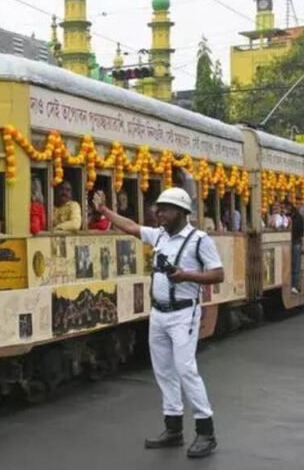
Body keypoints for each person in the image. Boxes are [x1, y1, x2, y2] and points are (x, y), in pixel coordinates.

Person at [93, 187, 223, 458]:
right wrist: (105, 211)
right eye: (158, 208)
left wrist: (186, 276)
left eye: (164, 209)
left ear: (180, 212)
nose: (158, 213)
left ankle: (206, 431)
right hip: (159, 314)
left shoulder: (199, 240)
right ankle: (173, 428)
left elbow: (217, 274)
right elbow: (130, 226)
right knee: (163, 370)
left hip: (183, 313)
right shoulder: (160, 235)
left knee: (185, 369)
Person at [288, 201, 304, 295]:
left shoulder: (298, 218)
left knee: (295, 265)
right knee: (294, 265)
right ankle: (294, 285)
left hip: (295, 243)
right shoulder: (291, 217)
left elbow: (300, 233)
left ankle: (294, 285)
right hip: (293, 242)